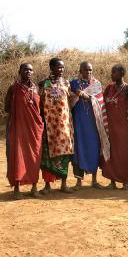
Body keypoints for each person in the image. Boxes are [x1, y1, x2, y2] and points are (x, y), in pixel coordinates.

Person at [4, 63, 44, 199]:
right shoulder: (13, 88)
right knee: (18, 157)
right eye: (25, 69)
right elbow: (7, 107)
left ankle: (34, 187)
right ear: (19, 71)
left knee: (34, 158)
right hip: (18, 130)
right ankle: (17, 189)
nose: (28, 71)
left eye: (31, 70)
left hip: (34, 130)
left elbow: (42, 108)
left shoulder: (37, 88)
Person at [70, 61, 110, 190]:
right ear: (80, 71)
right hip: (78, 122)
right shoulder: (73, 83)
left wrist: (86, 96)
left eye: (90, 70)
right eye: (86, 70)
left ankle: (94, 180)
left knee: (94, 149)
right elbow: (68, 98)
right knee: (78, 150)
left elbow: (99, 101)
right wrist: (77, 93)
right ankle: (78, 182)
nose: (89, 72)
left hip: (93, 123)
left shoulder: (96, 84)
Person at [39, 57, 74, 194]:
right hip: (49, 126)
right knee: (48, 156)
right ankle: (48, 186)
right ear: (51, 68)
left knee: (64, 155)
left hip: (64, 126)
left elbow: (69, 102)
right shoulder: (43, 84)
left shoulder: (66, 83)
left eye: (62, 67)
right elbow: (39, 104)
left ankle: (64, 184)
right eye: (58, 67)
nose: (61, 70)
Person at [102, 64, 128, 190]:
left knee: (122, 153)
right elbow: (102, 102)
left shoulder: (127, 88)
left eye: (114, 73)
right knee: (111, 152)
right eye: (112, 73)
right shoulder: (109, 88)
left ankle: (125, 181)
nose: (112, 75)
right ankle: (112, 181)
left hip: (121, 126)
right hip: (109, 125)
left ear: (121, 73)